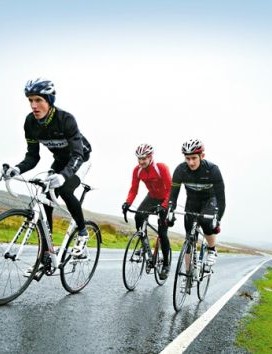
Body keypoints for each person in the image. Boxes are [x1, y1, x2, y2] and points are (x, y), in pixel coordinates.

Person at [3, 77, 92, 258]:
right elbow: (33, 157)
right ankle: (47, 253)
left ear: (49, 101)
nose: (33, 105)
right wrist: (17, 169)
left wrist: (64, 176)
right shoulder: (30, 123)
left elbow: (77, 155)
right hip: (59, 161)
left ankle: (83, 233)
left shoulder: (66, 120)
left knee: (65, 190)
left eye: (38, 100)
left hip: (81, 160)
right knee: (45, 202)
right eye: (30, 100)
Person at [169, 138, 226, 266]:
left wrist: (218, 219)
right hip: (192, 202)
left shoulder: (212, 170)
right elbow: (173, 195)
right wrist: (170, 212)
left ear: (202, 156)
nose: (191, 162)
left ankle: (212, 249)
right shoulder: (180, 170)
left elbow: (221, 198)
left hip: (209, 201)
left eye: (194, 158)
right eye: (187, 158)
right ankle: (187, 277)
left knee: (206, 223)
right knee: (189, 238)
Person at [122, 143, 172, 280]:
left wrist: (164, 205)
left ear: (151, 157)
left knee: (162, 232)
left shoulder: (161, 168)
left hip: (166, 199)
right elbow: (133, 189)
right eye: (139, 159)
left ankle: (166, 264)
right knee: (139, 216)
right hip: (152, 197)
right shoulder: (137, 170)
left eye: (144, 158)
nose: (141, 161)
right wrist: (128, 202)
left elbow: (170, 189)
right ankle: (145, 246)